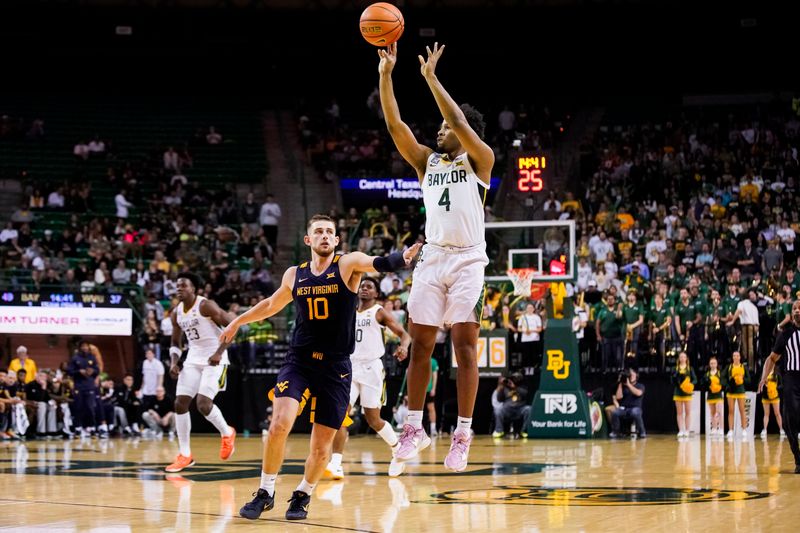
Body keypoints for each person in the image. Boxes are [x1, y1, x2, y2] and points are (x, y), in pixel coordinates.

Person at [221, 214, 420, 521]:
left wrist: (400, 257)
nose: (325, 235)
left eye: (330, 231)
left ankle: (302, 494)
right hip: (299, 360)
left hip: (336, 366)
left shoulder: (347, 264)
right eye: (319, 232)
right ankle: (266, 491)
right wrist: (237, 320)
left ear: (337, 240)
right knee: (278, 425)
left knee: (321, 446)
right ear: (308, 240)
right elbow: (272, 304)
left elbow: (377, 262)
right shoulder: (294, 274)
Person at [377, 42, 494, 472]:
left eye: (444, 128)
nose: (439, 131)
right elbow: (395, 126)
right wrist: (386, 74)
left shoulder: (480, 161)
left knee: (464, 347)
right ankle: (413, 427)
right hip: (431, 258)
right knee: (421, 344)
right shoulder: (428, 162)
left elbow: (461, 120)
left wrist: (430, 78)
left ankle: (462, 433)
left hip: (468, 260)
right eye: (440, 127)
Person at [324, 277, 412, 480]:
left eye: (369, 286)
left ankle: (398, 449)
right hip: (350, 367)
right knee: (340, 414)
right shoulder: (348, 312)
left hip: (372, 367)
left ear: (376, 293)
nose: (364, 288)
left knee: (373, 419)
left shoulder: (378, 312)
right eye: (362, 286)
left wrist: (403, 347)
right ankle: (336, 463)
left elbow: (404, 334)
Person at [164, 272, 237, 473]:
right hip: (193, 360)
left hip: (215, 359)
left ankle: (227, 432)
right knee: (180, 403)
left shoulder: (205, 305)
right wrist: (174, 362)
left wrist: (219, 352)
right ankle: (185, 455)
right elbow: (175, 342)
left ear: (194, 288)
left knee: (203, 404)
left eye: (184, 286)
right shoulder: (176, 313)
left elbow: (233, 325)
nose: (179, 289)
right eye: (177, 286)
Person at [758, 300, 800, 472]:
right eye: (794, 309)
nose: (797, 310)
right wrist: (763, 377)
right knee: (789, 422)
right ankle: (798, 460)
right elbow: (772, 358)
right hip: (791, 380)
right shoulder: (786, 334)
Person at [67, 344, 104, 438]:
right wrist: (79, 372)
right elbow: (69, 371)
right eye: (83, 346)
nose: (85, 348)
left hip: (89, 386)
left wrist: (92, 371)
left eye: (86, 346)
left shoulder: (92, 358)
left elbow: (97, 370)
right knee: (78, 407)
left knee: (90, 407)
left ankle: (92, 428)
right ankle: (78, 429)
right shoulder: (75, 358)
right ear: (80, 348)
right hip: (79, 386)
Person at [609, 368, 646, 438]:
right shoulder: (623, 386)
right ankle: (615, 432)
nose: (630, 376)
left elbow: (638, 393)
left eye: (632, 374)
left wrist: (629, 384)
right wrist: (620, 383)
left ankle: (642, 432)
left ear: (636, 375)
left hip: (635, 408)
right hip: (624, 408)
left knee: (635, 412)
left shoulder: (640, 386)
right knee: (615, 412)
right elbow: (618, 397)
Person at [491, 372, 530, 438]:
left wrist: (515, 387)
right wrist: (501, 387)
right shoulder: (505, 386)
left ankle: (524, 431)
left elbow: (525, 394)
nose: (515, 380)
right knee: (498, 410)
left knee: (528, 409)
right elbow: (499, 399)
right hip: (507, 410)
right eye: (513, 378)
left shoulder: (523, 386)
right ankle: (499, 430)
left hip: (520, 409)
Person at [725, 351, 750, 440]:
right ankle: (730, 430)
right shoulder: (729, 367)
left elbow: (749, 380)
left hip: (740, 391)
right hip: (731, 391)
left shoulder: (744, 367)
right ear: (732, 357)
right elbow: (723, 379)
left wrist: (742, 379)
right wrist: (729, 383)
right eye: (734, 355)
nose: (736, 357)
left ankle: (744, 429)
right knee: (731, 411)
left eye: (737, 355)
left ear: (740, 357)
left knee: (742, 410)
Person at [672, 351, 697, 439]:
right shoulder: (676, 368)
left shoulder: (690, 369)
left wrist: (690, 384)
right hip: (678, 393)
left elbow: (695, 380)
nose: (682, 358)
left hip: (687, 393)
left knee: (687, 412)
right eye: (681, 357)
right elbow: (672, 380)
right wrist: (675, 380)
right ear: (679, 359)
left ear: (686, 359)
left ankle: (687, 430)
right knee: (679, 413)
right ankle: (681, 430)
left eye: (684, 357)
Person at [517, 303, 544, 371]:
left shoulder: (537, 317)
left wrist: (531, 331)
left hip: (534, 339)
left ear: (533, 309)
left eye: (531, 308)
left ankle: (533, 369)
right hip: (525, 339)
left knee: (534, 355)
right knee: (526, 355)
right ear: (526, 309)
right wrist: (525, 331)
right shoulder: (522, 317)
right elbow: (519, 328)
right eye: (528, 308)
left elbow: (540, 329)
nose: (529, 309)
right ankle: (526, 369)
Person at [703, 356, 724, 438]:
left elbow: (723, 383)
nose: (713, 365)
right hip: (710, 395)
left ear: (717, 364)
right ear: (709, 364)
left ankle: (721, 428)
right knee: (712, 412)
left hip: (718, 394)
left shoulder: (720, 373)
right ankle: (714, 428)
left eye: (714, 363)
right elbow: (704, 384)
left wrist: (719, 386)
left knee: (719, 412)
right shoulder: (707, 374)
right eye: (711, 363)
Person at [760, 370, 784, 439]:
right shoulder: (764, 373)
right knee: (766, 414)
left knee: (777, 413)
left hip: (775, 396)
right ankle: (764, 430)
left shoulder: (777, 374)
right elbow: (759, 383)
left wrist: (775, 387)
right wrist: (764, 384)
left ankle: (781, 429)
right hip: (765, 396)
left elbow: (781, 385)